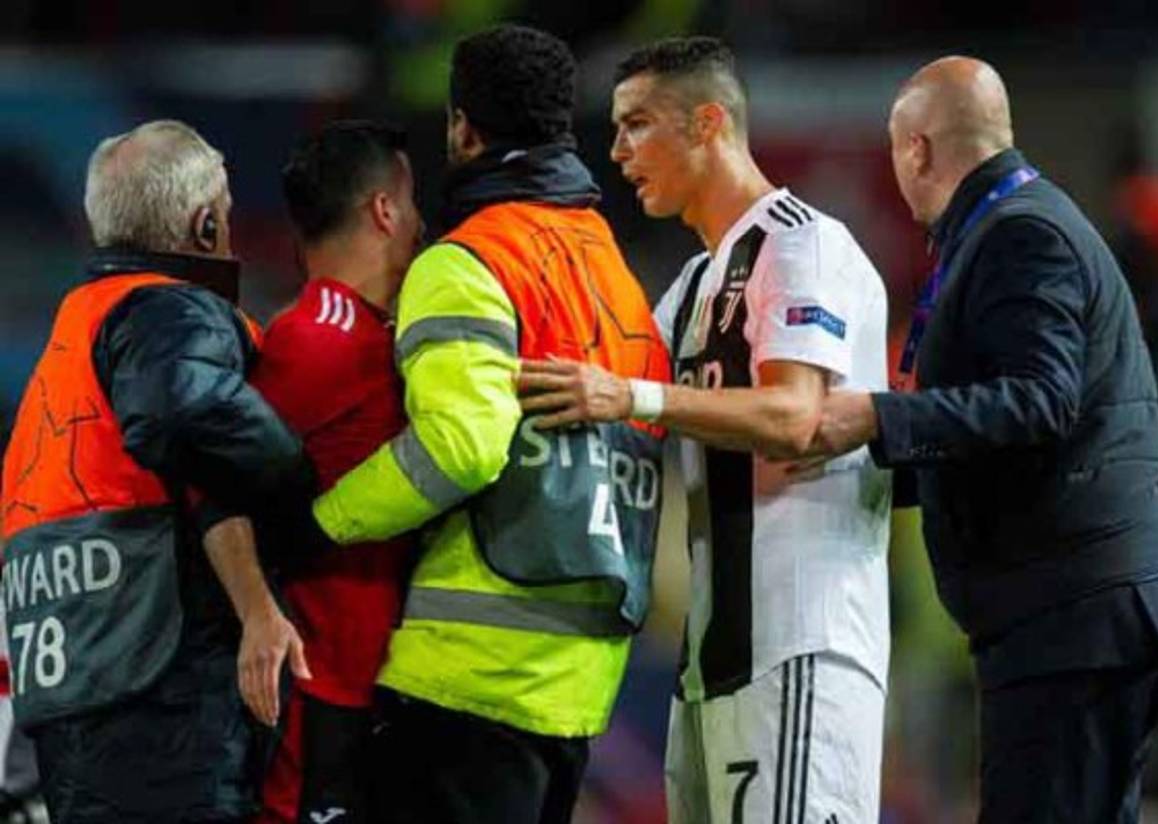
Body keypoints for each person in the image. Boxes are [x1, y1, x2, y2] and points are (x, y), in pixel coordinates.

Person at [289, 25, 670, 824]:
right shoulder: (618, 279)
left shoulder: (468, 262)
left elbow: (460, 449)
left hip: (465, 679)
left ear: (462, 128)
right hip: (579, 693)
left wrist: (317, 525)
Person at [804, 57, 1158, 821]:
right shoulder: (1012, 226)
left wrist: (878, 418)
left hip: (1073, 620)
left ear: (917, 149)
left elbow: (1040, 402)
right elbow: (1013, 437)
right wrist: (863, 464)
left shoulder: (1022, 235)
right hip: (1070, 615)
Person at [520, 36, 892, 824]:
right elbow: (614, 400)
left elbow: (793, 416)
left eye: (638, 124)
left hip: (798, 642)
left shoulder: (802, 242)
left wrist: (632, 395)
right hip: (710, 660)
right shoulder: (693, 283)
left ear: (708, 123)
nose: (617, 151)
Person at [0, 120, 313, 823]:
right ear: (206, 226)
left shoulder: (73, 335)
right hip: (160, 683)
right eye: (226, 215)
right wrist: (298, 476)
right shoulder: (170, 309)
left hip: (72, 682)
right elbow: (184, 410)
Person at [250, 120, 422, 824]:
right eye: (411, 202)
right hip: (318, 696)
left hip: (368, 691)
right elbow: (221, 493)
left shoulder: (370, 334)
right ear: (384, 210)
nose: (420, 223)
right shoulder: (317, 340)